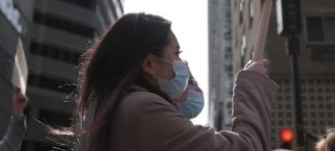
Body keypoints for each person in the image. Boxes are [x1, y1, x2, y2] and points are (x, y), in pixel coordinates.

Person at [67, 12, 276, 151]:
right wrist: (251, 85)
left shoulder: (111, 109)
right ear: (149, 64)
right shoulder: (142, 110)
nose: (181, 63)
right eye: (176, 52)